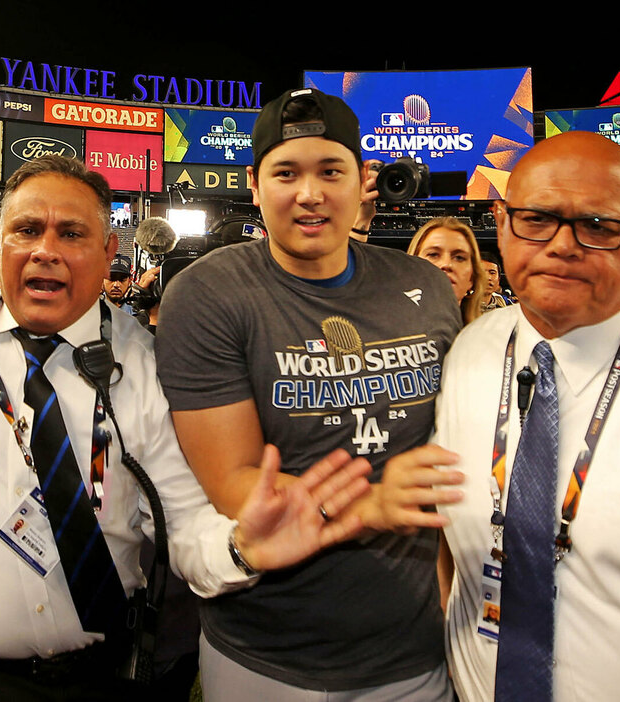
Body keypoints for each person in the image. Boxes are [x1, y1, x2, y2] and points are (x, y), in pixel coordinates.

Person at [0, 154, 372, 702]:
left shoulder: (155, 366)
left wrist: (244, 547)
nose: (45, 250)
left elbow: (184, 526)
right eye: (27, 230)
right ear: (0, 245)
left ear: (110, 253)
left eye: (72, 233)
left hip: (105, 677)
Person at [155, 87, 464, 701]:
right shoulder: (209, 293)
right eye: (286, 172)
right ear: (254, 182)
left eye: (331, 171)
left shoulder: (425, 286)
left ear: (361, 180)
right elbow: (238, 482)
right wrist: (373, 506)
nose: (310, 193)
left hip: (415, 650)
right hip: (268, 654)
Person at [379, 131, 620, 701]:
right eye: (537, 218)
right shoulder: (467, 353)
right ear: (504, 226)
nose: (562, 245)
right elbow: (448, 532)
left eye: (599, 226)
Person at [407, 217, 486, 324]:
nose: (446, 264)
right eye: (433, 254)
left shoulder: (493, 338)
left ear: (472, 279)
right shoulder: (384, 333)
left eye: (459, 257)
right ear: (411, 268)